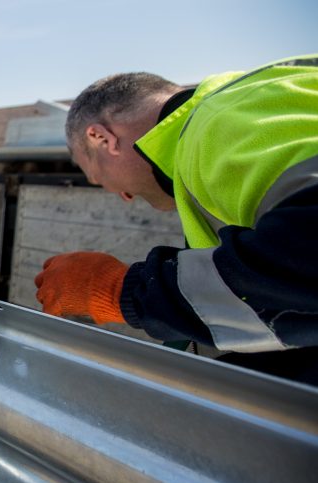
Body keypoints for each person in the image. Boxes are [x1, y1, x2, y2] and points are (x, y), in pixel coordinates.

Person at [35, 55, 318, 385]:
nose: (124, 197)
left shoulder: (218, 125)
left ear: (102, 138)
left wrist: (121, 291)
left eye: (99, 177)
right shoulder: (248, 101)